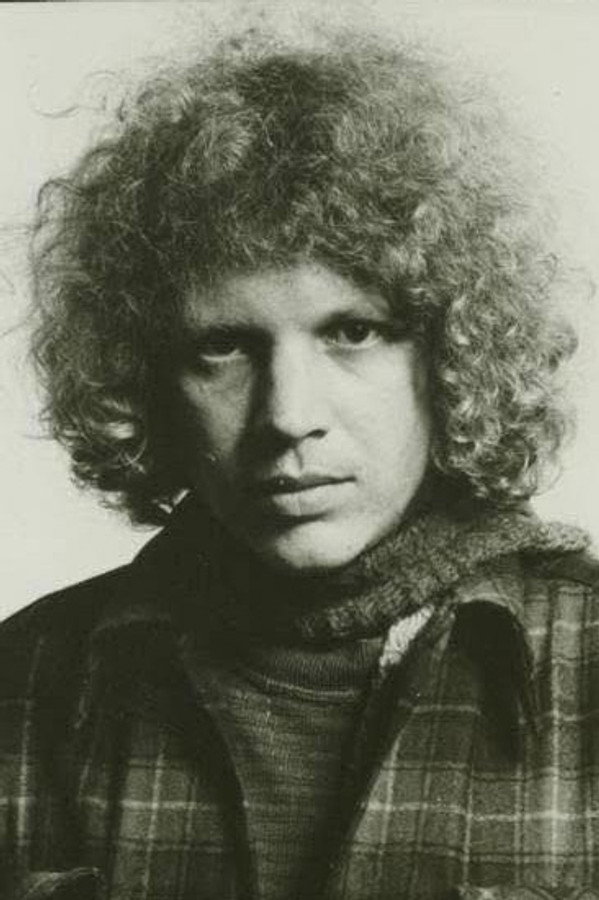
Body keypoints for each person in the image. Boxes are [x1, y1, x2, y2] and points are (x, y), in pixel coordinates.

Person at [1, 27, 597, 900]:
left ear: (453, 354)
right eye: (221, 347)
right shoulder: (26, 683)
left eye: (353, 332)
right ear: (147, 375)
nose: (287, 416)